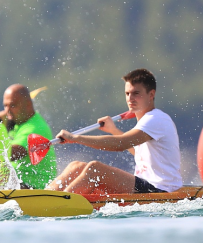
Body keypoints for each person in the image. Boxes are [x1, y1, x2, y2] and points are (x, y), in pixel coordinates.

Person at [47, 68, 182, 196]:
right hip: (145, 185)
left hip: (161, 190)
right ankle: (45, 197)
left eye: (136, 93)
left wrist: (75, 137)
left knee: (95, 169)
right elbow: (139, 153)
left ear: (151, 94)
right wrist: (113, 130)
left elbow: (121, 144)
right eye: (127, 93)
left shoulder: (155, 119)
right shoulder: (147, 122)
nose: (130, 98)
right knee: (76, 166)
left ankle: (57, 204)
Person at [0, 84, 57, 189]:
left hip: (35, 187)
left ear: (28, 105)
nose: (7, 111)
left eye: (13, 105)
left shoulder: (35, 127)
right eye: (5, 106)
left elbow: (13, 154)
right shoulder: (17, 122)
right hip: (19, 183)